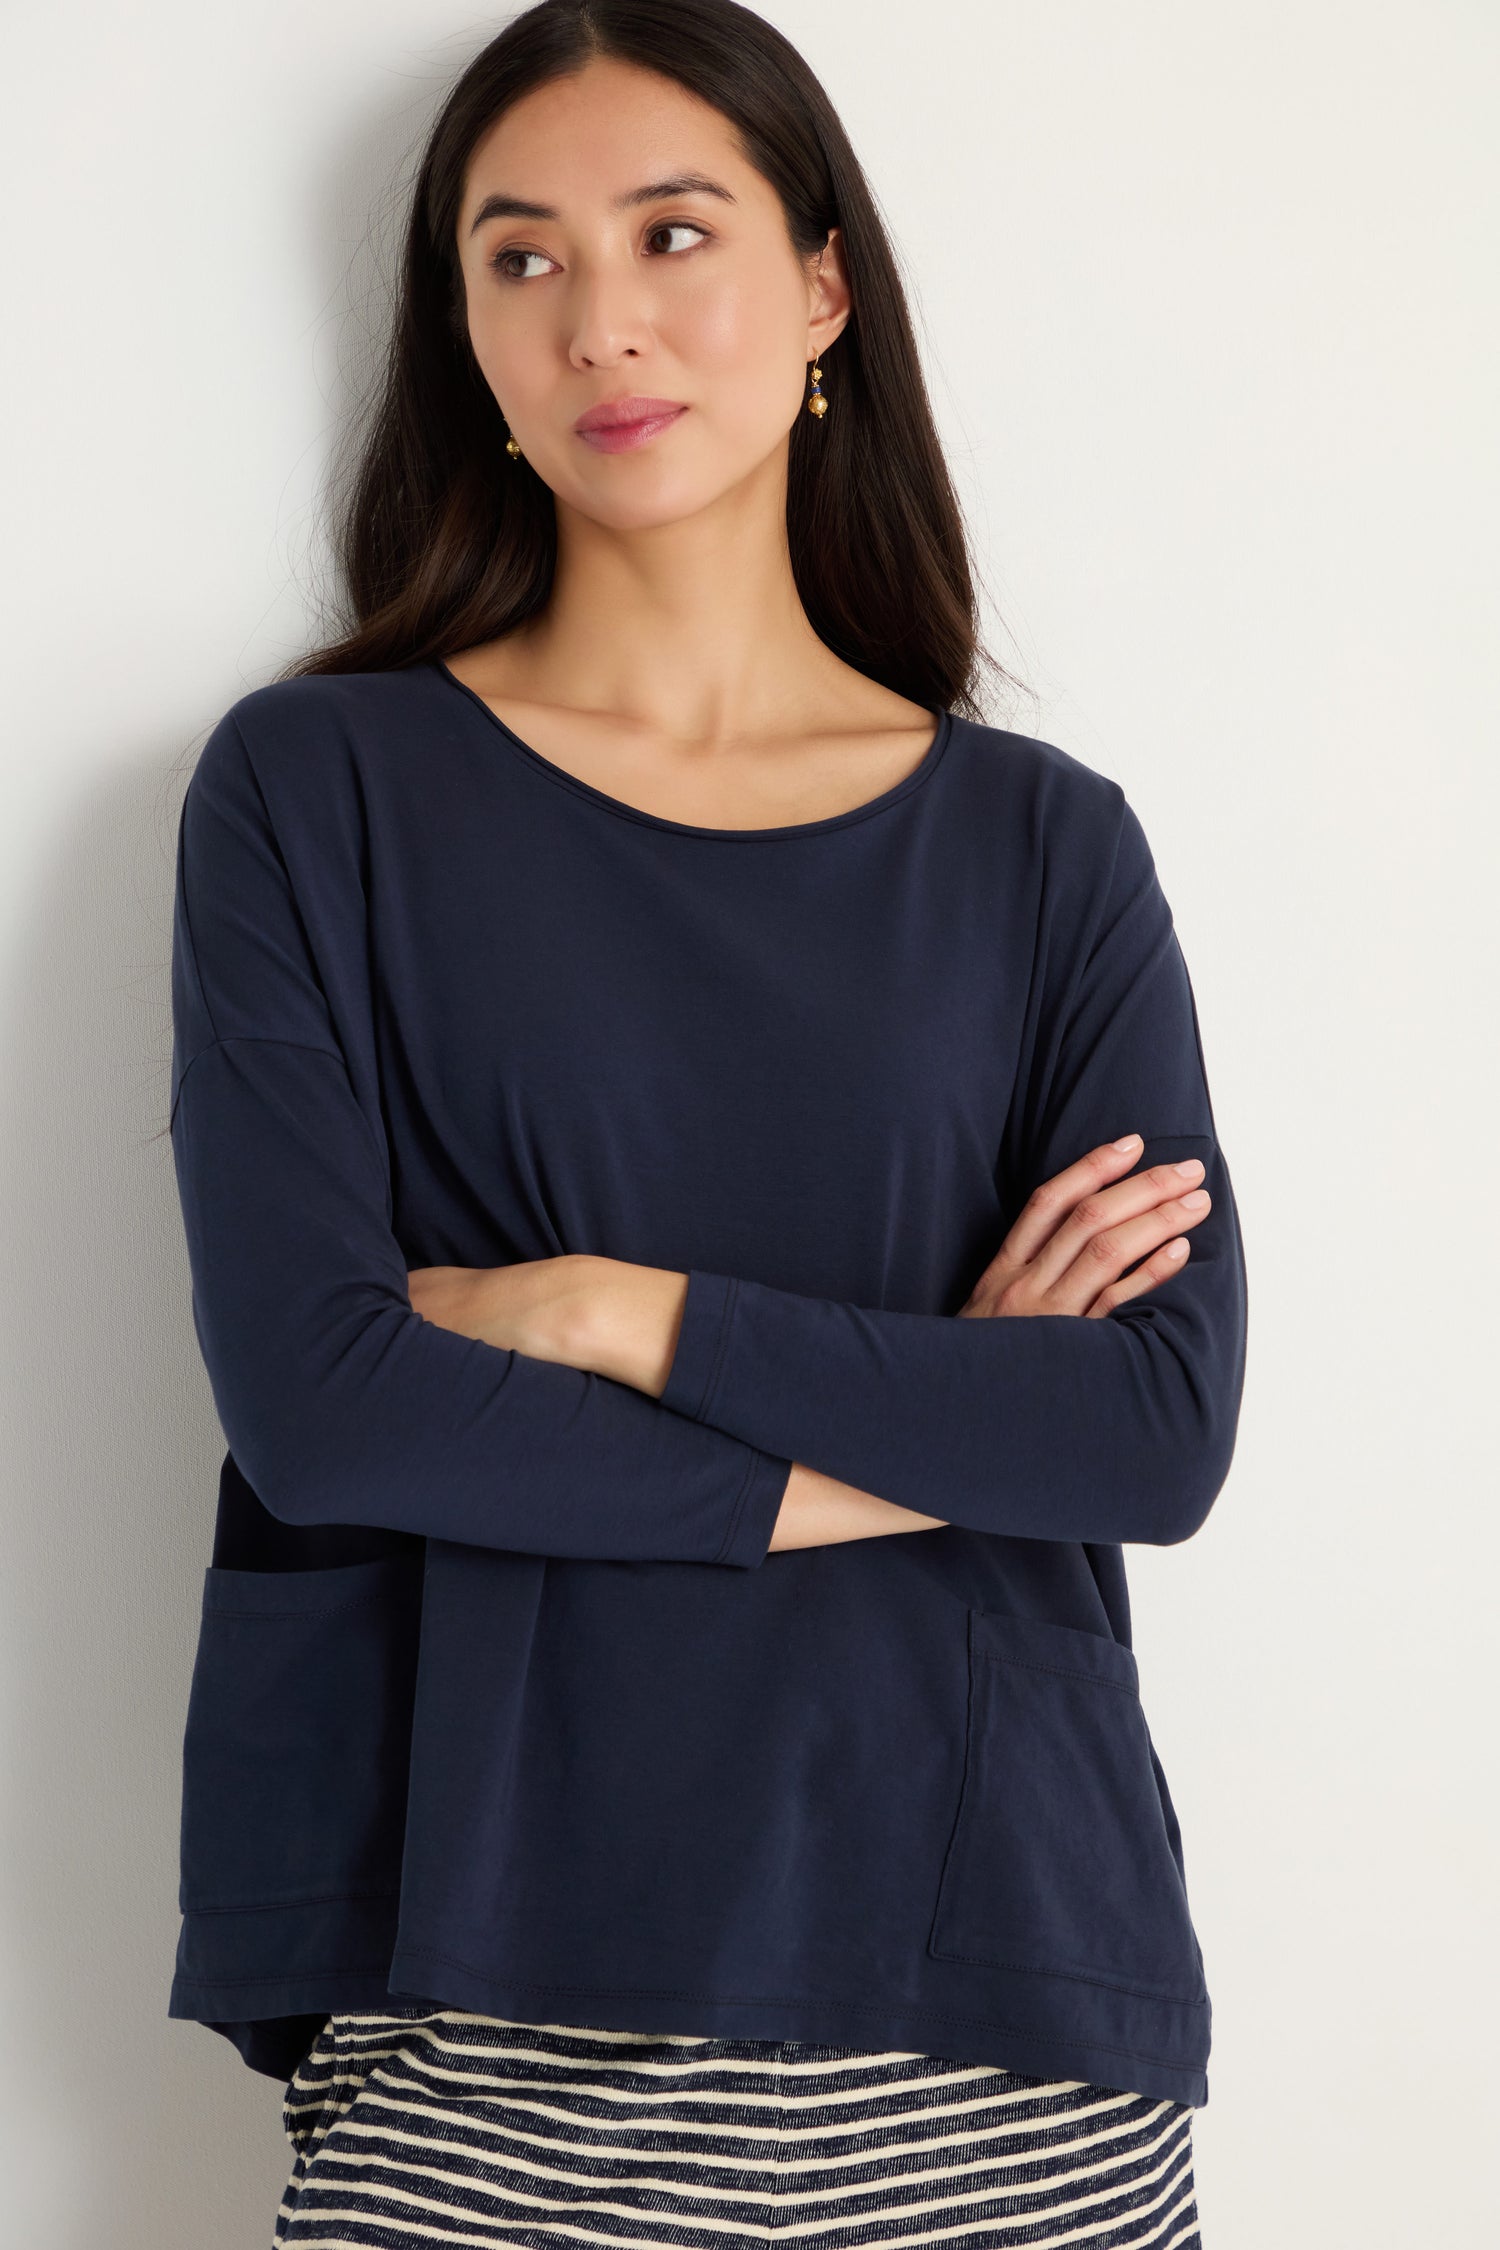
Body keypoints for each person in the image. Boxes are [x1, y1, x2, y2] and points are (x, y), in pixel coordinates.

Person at [164, 3, 1247, 2243]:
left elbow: (1148, 1438)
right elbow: (330, 1414)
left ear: (824, 288)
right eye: (520, 258)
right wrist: (944, 1424)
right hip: (486, 2013)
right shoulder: (318, 792)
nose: (602, 320)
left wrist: (598, 1305)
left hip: (994, 2009)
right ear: (460, 328)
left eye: (674, 233)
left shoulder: (1043, 849)